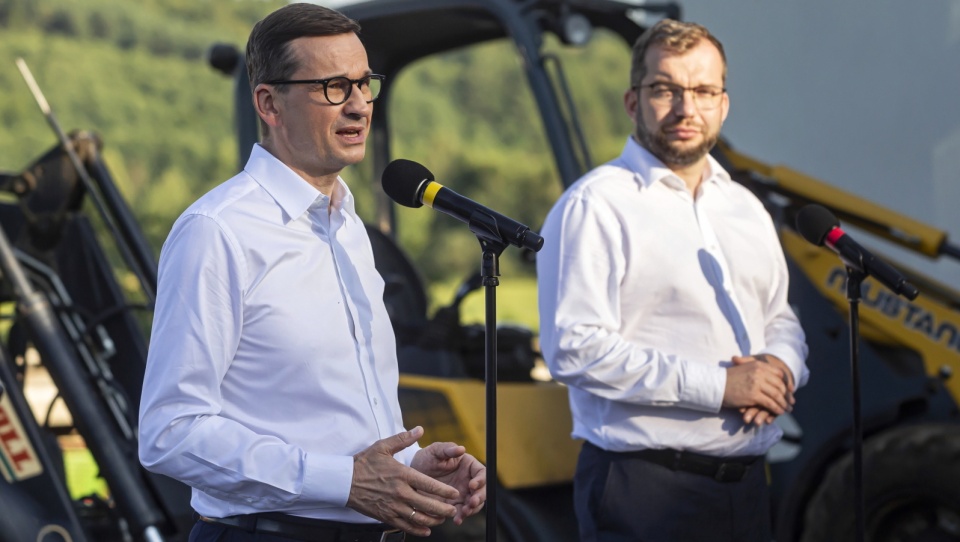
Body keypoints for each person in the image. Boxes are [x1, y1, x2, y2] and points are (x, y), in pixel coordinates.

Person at [138, 4, 485, 541]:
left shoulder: (348, 227)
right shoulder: (217, 230)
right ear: (269, 103)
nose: (358, 106)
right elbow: (170, 431)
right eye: (331, 87)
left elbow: (339, 418)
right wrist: (343, 481)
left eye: (365, 84)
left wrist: (410, 469)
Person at [536, 18, 809, 542]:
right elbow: (573, 348)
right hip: (644, 490)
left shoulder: (745, 208)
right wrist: (723, 386)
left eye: (704, 91)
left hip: (748, 487)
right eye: (666, 90)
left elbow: (777, 315)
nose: (687, 109)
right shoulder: (595, 206)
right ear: (633, 102)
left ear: (723, 106)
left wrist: (780, 367)